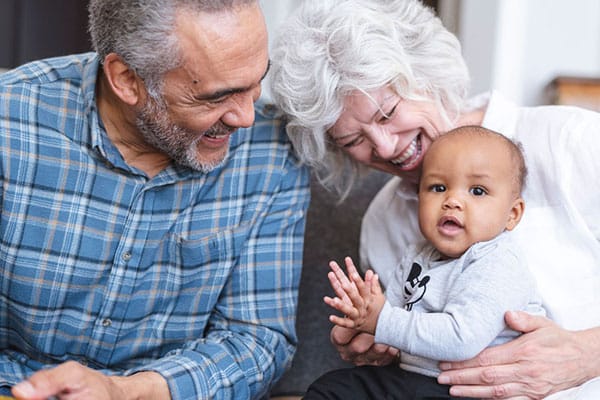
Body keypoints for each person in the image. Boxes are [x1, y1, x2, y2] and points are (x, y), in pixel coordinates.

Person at [269, 0, 600, 398]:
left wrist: (587, 353)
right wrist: (379, 340)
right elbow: (412, 340)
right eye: (353, 140)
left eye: (387, 113)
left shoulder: (572, 143)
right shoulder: (383, 221)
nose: (386, 147)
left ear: (425, 74)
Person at [0, 1, 310, 399]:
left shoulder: (271, 154)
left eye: (255, 84)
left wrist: (122, 392)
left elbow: (255, 340)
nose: (246, 117)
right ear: (127, 79)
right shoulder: (11, 123)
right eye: (217, 97)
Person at [315, 126, 545, 399]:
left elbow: (462, 339)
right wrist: (362, 324)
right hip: (411, 379)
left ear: (512, 214)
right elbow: (392, 318)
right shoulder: (417, 255)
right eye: (438, 187)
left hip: (470, 389)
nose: (452, 201)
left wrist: (382, 321)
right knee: (333, 388)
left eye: (478, 191)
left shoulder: (499, 263)